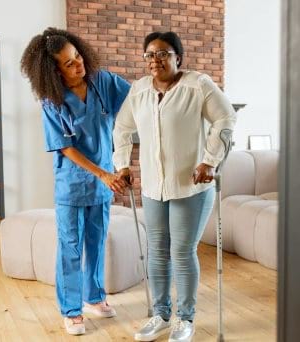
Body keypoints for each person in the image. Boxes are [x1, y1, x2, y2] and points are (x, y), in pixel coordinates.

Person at [113, 31, 237, 342]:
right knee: (156, 252)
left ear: (177, 57)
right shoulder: (139, 90)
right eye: (150, 55)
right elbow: (122, 128)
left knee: (181, 252)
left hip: (190, 187)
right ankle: (160, 314)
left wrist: (209, 161)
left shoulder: (198, 84)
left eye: (164, 53)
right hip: (154, 187)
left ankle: (185, 319)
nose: (155, 60)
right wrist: (123, 165)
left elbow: (225, 119)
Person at [20, 27, 130, 336]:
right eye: (69, 63)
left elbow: (135, 104)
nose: (78, 65)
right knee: (71, 246)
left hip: (105, 183)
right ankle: (71, 310)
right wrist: (103, 173)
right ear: (54, 71)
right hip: (72, 184)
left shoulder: (104, 83)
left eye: (78, 56)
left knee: (97, 241)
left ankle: (94, 297)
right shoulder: (52, 101)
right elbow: (65, 147)